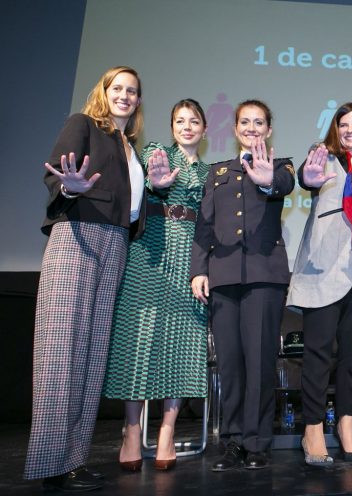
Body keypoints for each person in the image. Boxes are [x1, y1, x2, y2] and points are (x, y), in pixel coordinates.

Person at [25, 66, 176, 491]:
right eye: (118, 88)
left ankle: (72, 459)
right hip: (77, 235)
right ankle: (50, 462)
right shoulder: (84, 124)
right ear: (104, 91)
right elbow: (58, 173)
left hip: (115, 244)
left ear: (140, 101)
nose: (125, 96)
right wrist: (70, 188)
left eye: (133, 91)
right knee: (61, 352)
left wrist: (158, 189)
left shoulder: (128, 145)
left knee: (91, 357)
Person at [103, 99, 210, 472]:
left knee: (183, 344)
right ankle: (131, 430)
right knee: (139, 341)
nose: (186, 126)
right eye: (179, 120)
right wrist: (157, 182)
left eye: (193, 121)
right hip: (149, 253)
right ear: (172, 125)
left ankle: (166, 430)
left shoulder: (211, 171)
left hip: (190, 258)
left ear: (204, 128)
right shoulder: (156, 152)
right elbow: (153, 178)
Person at [190, 99, 295, 471]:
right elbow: (204, 226)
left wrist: (267, 183)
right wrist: (197, 271)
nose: (252, 128)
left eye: (259, 123)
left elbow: (282, 184)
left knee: (261, 361)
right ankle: (233, 441)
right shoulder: (218, 173)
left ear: (269, 130)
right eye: (245, 122)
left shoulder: (280, 167)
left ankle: (257, 442)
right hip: (223, 276)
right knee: (231, 363)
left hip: (265, 278)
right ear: (235, 129)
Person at [287, 102, 352, 465]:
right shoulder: (321, 158)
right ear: (335, 129)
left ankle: (345, 427)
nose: (351, 130)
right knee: (317, 356)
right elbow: (306, 180)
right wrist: (307, 180)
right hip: (322, 272)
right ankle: (311, 430)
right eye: (344, 124)